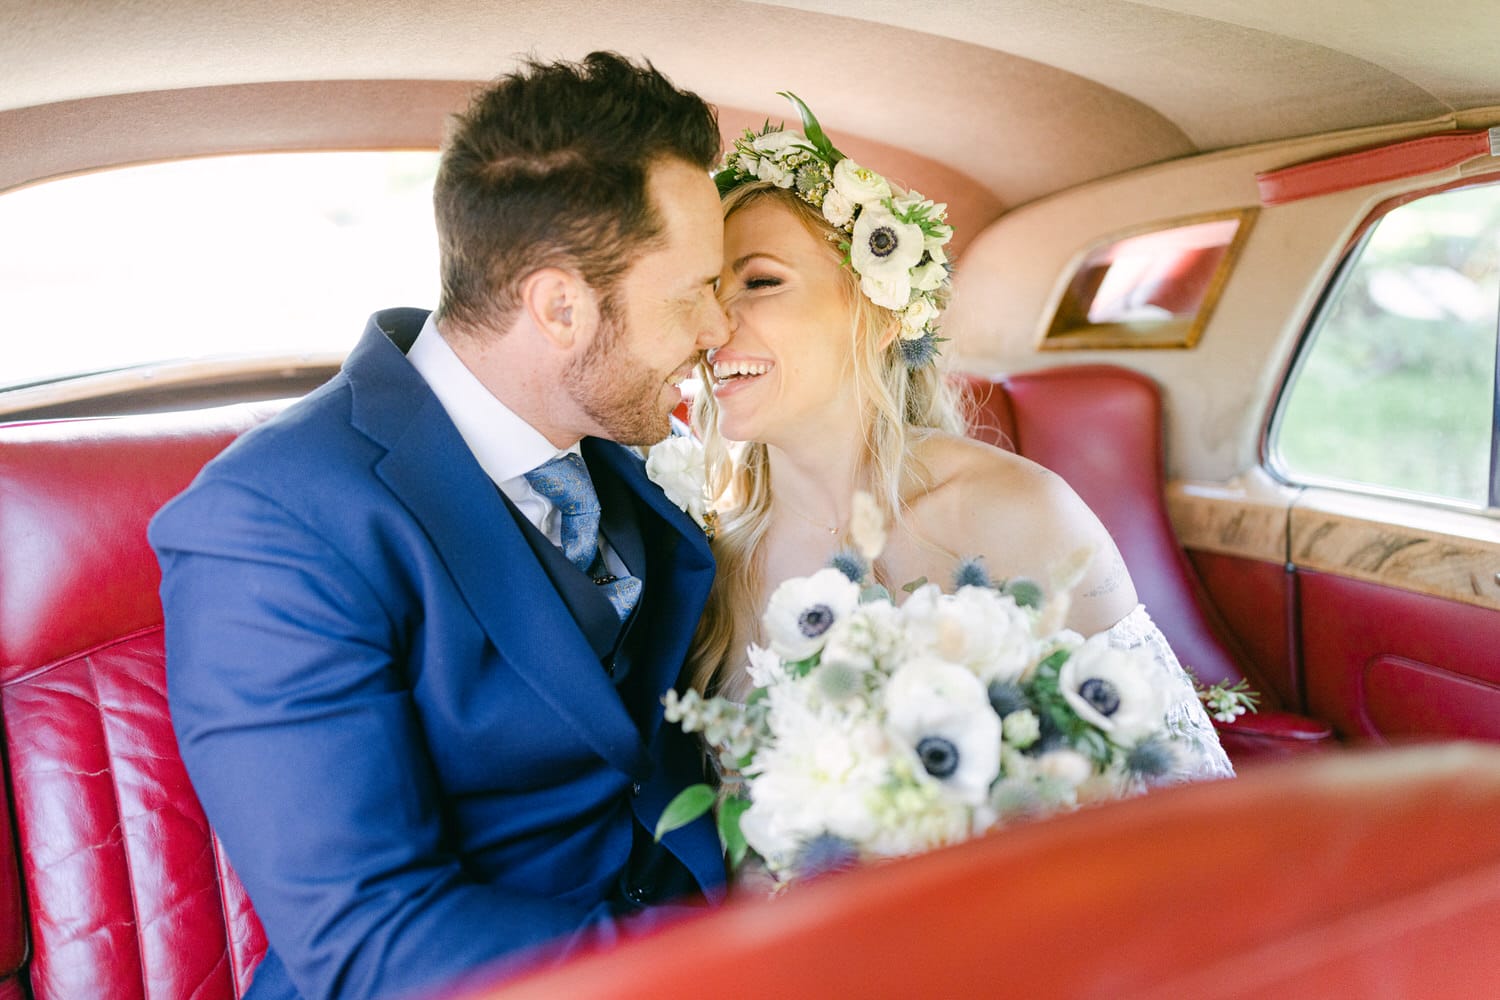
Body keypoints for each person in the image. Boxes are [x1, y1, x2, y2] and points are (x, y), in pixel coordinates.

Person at [150, 53, 730, 1000]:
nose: (718, 329)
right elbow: (370, 938)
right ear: (561, 306)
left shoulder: (608, 446)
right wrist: (725, 968)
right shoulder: (268, 523)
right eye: (693, 292)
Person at [687, 97, 1232, 781]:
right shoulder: (714, 561)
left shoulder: (1022, 513)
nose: (710, 324)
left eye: (760, 281)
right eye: (706, 291)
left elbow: (1171, 784)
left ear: (883, 315)